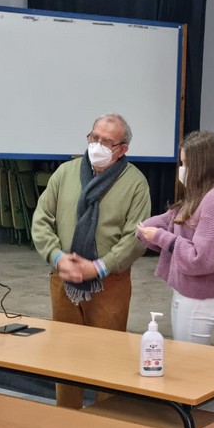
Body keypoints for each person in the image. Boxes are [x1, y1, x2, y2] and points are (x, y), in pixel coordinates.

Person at [31, 113, 151, 404]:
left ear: (122, 149)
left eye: (106, 141)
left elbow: (137, 237)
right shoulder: (66, 173)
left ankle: (105, 422)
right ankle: (67, 415)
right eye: (93, 138)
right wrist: (58, 257)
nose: (97, 145)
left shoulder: (135, 183)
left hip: (110, 284)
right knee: (65, 355)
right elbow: (41, 219)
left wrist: (98, 267)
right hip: (64, 280)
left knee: (107, 360)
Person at [136, 131, 214, 345]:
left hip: (199, 299)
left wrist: (161, 236)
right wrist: (150, 230)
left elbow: (203, 259)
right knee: (185, 358)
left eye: (186, 164)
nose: (182, 170)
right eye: (181, 163)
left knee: (191, 362)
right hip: (186, 292)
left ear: (204, 164)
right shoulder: (201, 193)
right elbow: (172, 220)